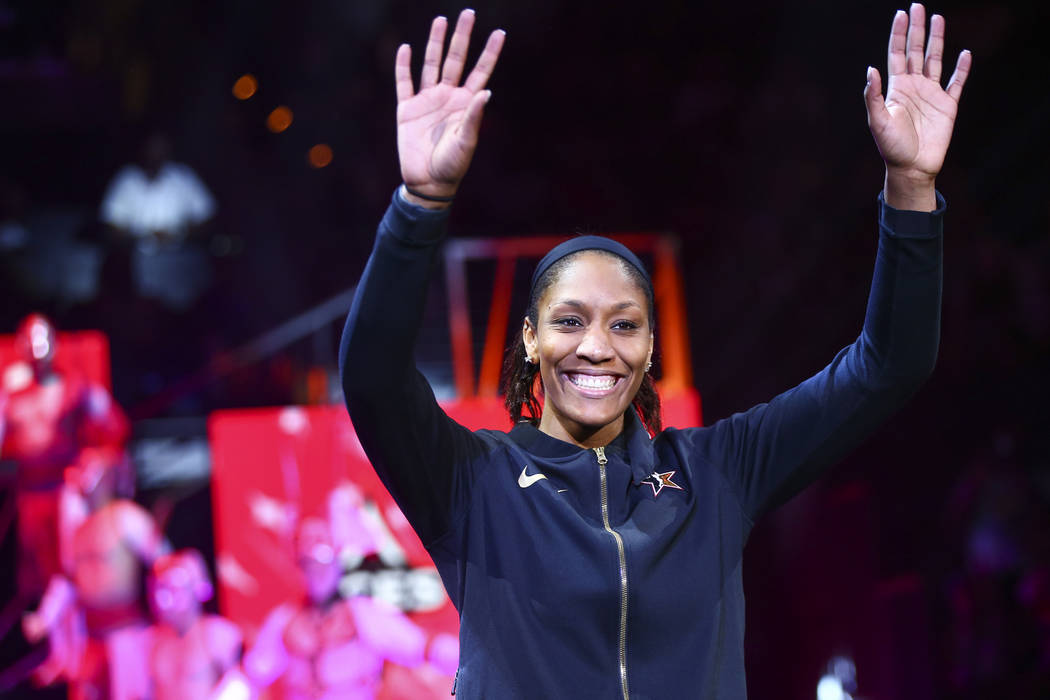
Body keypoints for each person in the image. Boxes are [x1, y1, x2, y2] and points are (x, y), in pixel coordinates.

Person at [338, 5, 970, 697]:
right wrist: (420, 204)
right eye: (570, 320)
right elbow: (373, 379)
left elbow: (889, 366)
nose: (597, 347)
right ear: (531, 337)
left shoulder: (720, 472)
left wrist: (911, 189)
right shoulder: (470, 481)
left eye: (624, 325)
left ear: (649, 349)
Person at [22, 446, 169, 700]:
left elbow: (167, 564)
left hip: (128, 637)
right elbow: (68, 581)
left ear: (108, 475)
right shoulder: (78, 531)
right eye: (79, 466)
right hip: (90, 639)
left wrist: (171, 619)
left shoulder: (126, 517)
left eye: (90, 467)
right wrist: (45, 619)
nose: (81, 474)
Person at [1, 313, 129, 601]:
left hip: (66, 491)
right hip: (30, 493)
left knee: (71, 566)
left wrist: (103, 461)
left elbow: (114, 424)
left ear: (54, 343)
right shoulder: (12, 396)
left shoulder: (75, 386)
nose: (36, 346)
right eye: (29, 339)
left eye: (42, 338)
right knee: (37, 572)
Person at [242, 516, 427, 700]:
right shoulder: (285, 620)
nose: (312, 552)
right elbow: (254, 674)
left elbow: (420, 647)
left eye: (319, 540)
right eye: (304, 543)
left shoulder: (361, 613)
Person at [146, 549, 244, 700]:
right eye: (160, 589)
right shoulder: (152, 641)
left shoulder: (218, 635)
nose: (165, 600)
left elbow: (245, 687)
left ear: (195, 588)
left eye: (173, 589)